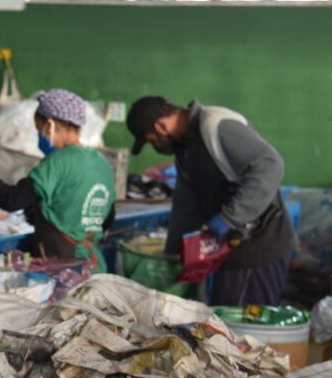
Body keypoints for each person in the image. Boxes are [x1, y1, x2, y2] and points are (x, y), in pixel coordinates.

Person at [126, 95, 298, 306]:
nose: (156, 147)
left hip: (257, 247)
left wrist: (229, 218)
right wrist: (174, 255)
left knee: (241, 323)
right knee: (221, 318)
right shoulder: (186, 148)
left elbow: (269, 165)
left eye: (153, 141)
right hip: (229, 251)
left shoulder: (216, 126)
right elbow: (185, 205)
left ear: (161, 126)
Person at [0, 89, 116, 272]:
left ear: (50, 125)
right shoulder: (101, 163)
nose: (39, 137)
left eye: (39, 129)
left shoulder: (57, 162)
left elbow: (11, 199)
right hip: (93, 266)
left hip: (62, 269)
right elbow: (107, 218)